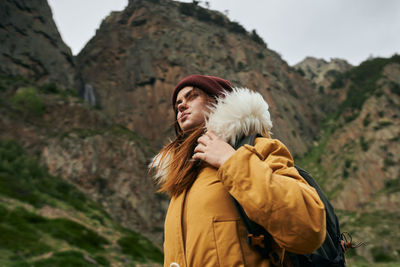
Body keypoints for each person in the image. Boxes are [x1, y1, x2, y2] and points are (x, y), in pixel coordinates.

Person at [151, 74, 326, 267]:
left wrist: (230, 161)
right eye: (178, 104)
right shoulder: (182, 179)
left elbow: (308, 229)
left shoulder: (258, 149)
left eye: (192, 96)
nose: (182, 106)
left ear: (218, 101)